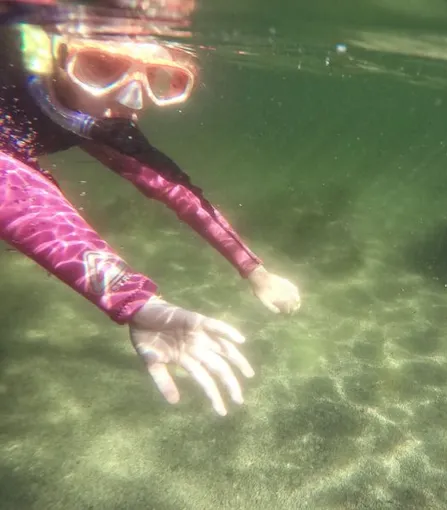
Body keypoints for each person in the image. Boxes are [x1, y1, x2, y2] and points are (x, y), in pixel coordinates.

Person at [0, 3, 300, 416]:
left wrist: (255, 271)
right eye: (100, 66)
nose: (130, 99)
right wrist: (135, 301)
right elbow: (15, 193)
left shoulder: (92, 108)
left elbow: (175, 188)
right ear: (46, 51)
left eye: (161, 81)